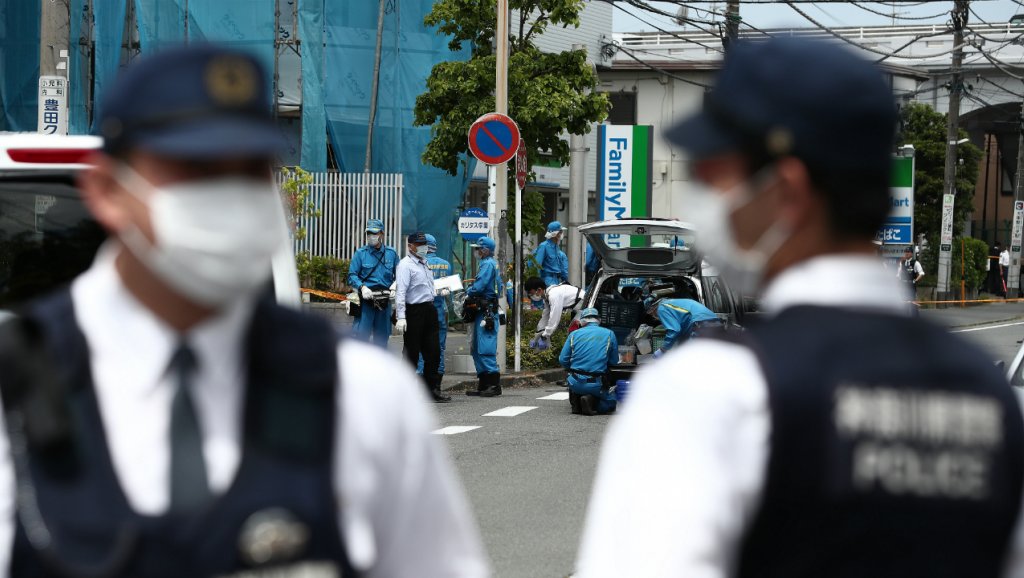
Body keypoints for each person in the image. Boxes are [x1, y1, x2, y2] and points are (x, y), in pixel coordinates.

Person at [0, 45, 488, 577]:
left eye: (251, 169)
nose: (227, 196)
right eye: (195, 168)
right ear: (107, 190)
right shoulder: (13, 390)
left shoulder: (361, 392)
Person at [576, 37, 1024, 578]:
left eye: (716, 175)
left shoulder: (712, 390)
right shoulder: (988, 395)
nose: (703, 194)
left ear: (785, 190)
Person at [395, 232, 450, 403]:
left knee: (433, 352)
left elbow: (426, 288)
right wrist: (401, 316)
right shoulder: (405, 265)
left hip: (429, 309)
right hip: (414, 312)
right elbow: (401, 292)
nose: (423, 247)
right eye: (419, 244)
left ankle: (430, 390)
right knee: (411, 354)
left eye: (424, 244)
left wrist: (439, 292)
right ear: (410, 246)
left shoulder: (424, 263)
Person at [347, 218, 398, 347]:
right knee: (361, 337)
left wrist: (395, 285)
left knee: (382, 338)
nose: (371, 236)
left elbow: (400, 275)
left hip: (384, 302)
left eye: (374, 233)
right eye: (368, 233)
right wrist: (362, 287)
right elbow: (352, 275)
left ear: (381, 234)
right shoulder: (360, 253)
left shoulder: (391, 254)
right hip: (366, 301)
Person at [558, 308, 618, 416]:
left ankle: (576, 400)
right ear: (598, 320)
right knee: (611, 403)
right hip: (596, 383)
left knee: (575, 381)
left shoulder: (573, 334)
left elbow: (563, 360)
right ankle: (591, 400)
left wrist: (571, 367)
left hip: (574, 382)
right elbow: (614, 361)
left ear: (582, 321)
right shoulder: (609, 334)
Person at [465, 236, 503, 397]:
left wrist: (468, 292)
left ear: (485, 250)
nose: (476, 252)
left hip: (486, 310)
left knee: (485, 347)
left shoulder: (487, 264)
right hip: (484, 310)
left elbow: (480, 286)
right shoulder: (489, 264)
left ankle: (493, 384)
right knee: (477, 348)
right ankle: (484, 383)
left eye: (478, 249)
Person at [416, 233, 451, 379]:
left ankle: (421, 380)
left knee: (420, 347)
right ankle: (436, 383)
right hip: (439, 312)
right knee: (439, 348)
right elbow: (449, 291)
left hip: (420, 312)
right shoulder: (446, 265)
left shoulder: (416, 264)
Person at [647, 297, 721, 356]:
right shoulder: (673, 303)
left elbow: (674, 330)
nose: (654, 316)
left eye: (652, 314)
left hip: (700, 324)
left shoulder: (661, 308)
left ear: (653, 308)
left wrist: (663, 349)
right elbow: (682, 332)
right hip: (715, 323)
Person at [525, 277, 583, 347]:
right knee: (573, 334)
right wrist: (538, 333)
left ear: (539, 290)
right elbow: (545, 316)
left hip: (584, 305)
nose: (531, 297)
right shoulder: (547, 297)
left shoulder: (553, 295)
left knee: (575, 333)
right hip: (577, 308)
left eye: (531, 294)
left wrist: (545, 335)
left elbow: (554, 317)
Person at [533, 221, 569, 287]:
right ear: (555, 234)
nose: (562, 234)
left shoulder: (556, 247)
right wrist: (537, 284)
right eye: (560, 232)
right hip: (547, 280)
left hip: (557, 281)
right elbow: (537, 265)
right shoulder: (544, 246)